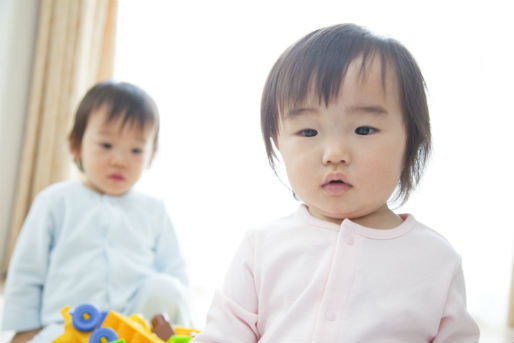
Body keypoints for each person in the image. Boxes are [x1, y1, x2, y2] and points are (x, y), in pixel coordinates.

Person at [193, 24, 480, 342]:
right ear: (278, 142)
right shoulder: (262, 247)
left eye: (364, 130)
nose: (334, 154)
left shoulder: (436, 260)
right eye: (308, 132)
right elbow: (223, 333)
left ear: (410, 140)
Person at [2, 81, 191, 343]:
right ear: (76, 145)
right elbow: (27, 274)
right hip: (66, 327)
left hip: (134, 329)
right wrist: (24, 329)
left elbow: (175, 275)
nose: (119, 160)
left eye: (136, 150)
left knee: (166, 286)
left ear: (151, 155)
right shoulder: (55, 201)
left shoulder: (153, 210)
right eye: (106, 145)